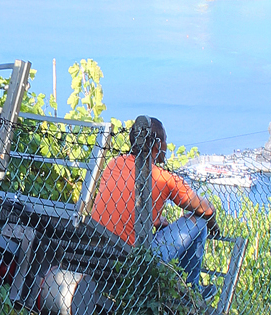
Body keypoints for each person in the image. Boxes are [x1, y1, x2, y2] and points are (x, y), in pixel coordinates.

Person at [90, 115, 221, 293]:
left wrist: (158, 222)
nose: (166, 146)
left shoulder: (114, 164)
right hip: (135, 262)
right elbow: (206, 209)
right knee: (199, 223)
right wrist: (214, 227)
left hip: (99, 254)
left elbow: (124, 207)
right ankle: (190, 290)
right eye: (165, 140)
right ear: (158, 145)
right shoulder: (163, 178)